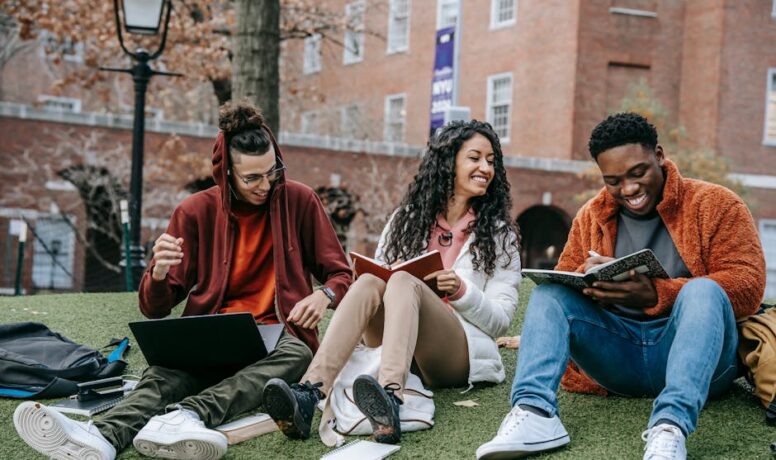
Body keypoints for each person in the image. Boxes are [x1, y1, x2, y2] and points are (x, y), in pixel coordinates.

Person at [12, 101, 352, 460]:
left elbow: (341, 273)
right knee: (162, 376)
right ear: (227, 174)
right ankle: (101, 436)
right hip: (209, 335)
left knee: (299, 354)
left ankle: (186, 415)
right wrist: (158, 272)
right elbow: (154, 308)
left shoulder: (300, 200)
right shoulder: (194, 212)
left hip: (275, 339)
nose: (267, 184)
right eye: (252, 177)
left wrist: (324, 295)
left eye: (273, 171)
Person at [477, 112, 766, 460]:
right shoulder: (591, 214)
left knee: (702, 291)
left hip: (699, 362)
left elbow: (748, 286)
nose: (628, 189)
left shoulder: (717, 205)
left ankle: (669, 428)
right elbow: (567, 278)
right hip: (618, 359)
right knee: (549, 293)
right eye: (613, 180)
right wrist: (590, 276)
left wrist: (658, 294)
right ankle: (534, 414)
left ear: (658, 155)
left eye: (638, 172)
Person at [262, 119, 522, 445]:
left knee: (403, 282)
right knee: (373, 280)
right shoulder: (406, 219)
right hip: (394, 342)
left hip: (455, 354)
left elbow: (500, 321)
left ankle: (390, 398)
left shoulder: (499, 234)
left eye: (491, 160)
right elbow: (379, 286)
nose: (485, 167)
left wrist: (460, 290)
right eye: (475, 158)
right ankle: (309, 392)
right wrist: (390, 273)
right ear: (448, 162)